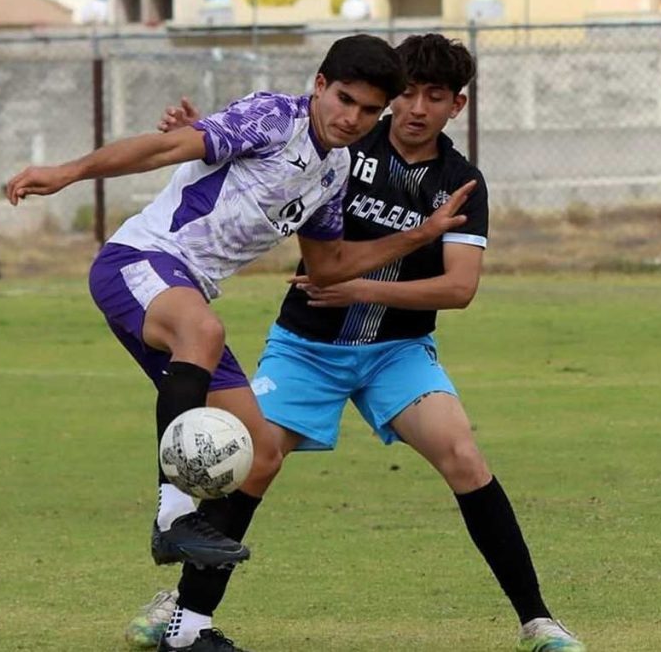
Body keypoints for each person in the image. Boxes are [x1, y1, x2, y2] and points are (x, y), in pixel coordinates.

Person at [5, 34, 476, 652]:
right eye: (343, 99)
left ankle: (187, 628)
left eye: (367, 110)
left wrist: (420, 236)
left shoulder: (333, 172)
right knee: (203, 330)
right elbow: (170, 145)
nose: (351, 118)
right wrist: (67, 172)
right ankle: (174, 514)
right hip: (139, 261)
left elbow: (330, 266)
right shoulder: (273, 117)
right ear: (318, 85)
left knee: (261, 451)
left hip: (187, 293)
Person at [144, 34, 586, 652]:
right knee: (248, 463)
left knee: (463, 457)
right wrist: (210, 146)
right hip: (306, 347)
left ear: (456, 107)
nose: (416, 108)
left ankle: (537, 622)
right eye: (405, 93)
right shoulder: (342, 144)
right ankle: (183, 614)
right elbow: (264, 175)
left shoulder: (460, 183)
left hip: (397, 355)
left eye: (435, 97)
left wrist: (359, 291)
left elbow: (458, 289)